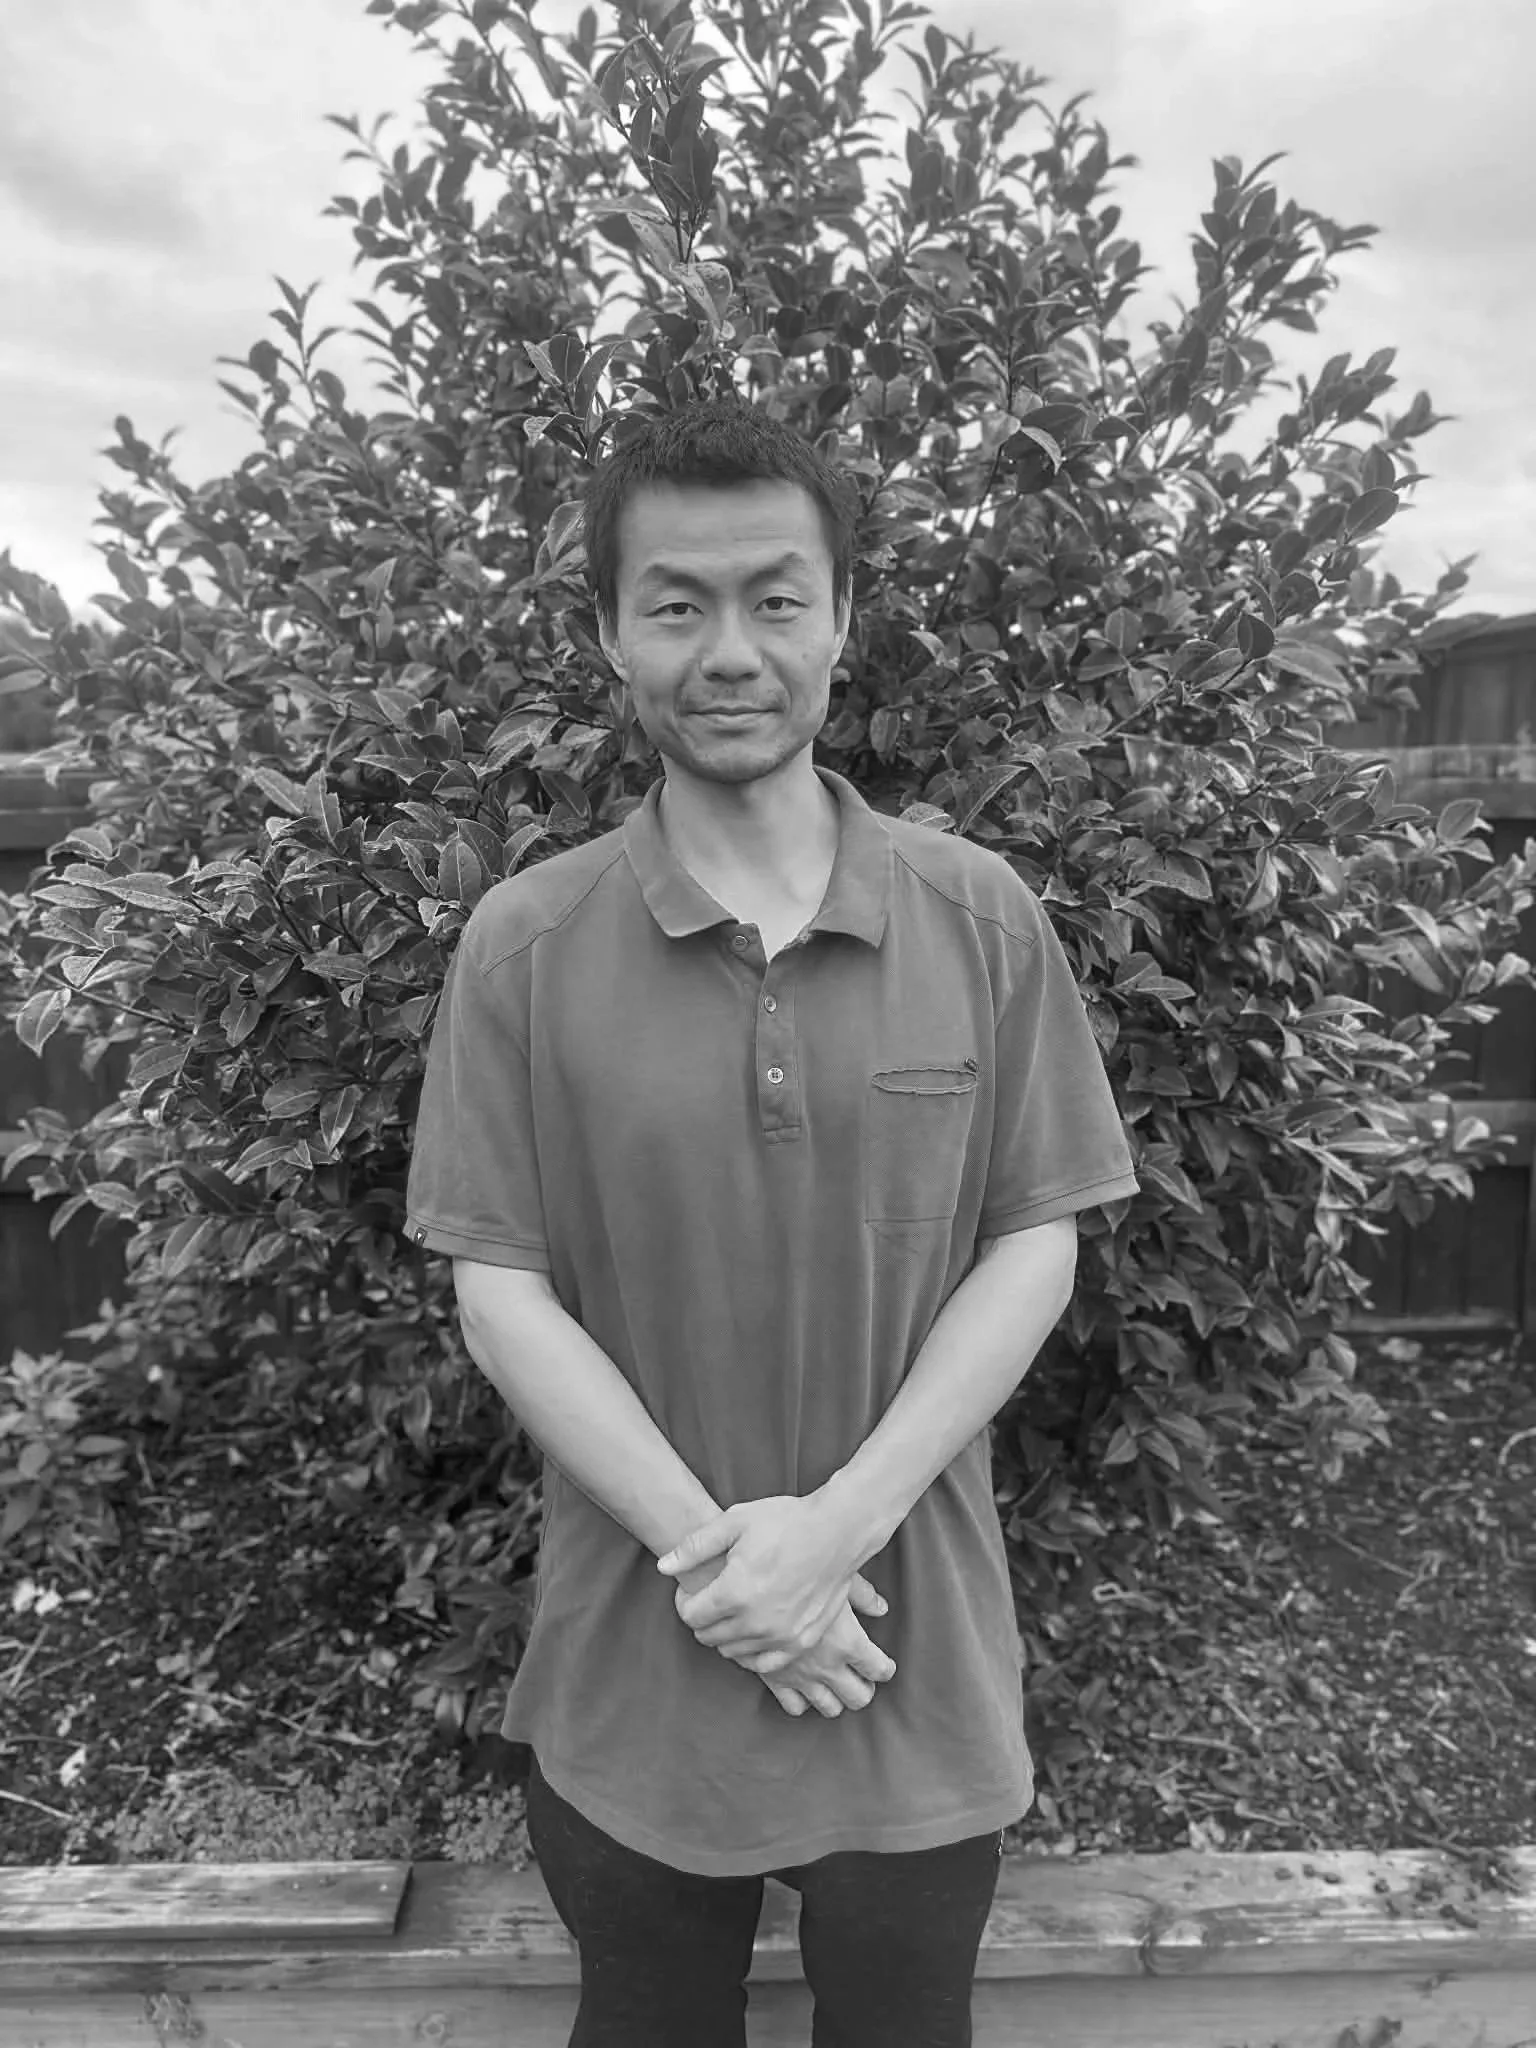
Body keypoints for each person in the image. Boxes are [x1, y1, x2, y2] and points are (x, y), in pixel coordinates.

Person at [404, 397, 1139, 2046]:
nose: (730, 652)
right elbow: (500, 1288)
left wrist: (832, 1538)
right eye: (677, 605)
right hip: (635, 1664)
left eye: (776, 599)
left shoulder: (978, 915)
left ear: (841, 620)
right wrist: (725, 1569)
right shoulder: (525, 943)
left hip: (906, 1651)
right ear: (611, 635)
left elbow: (1036, 1241)